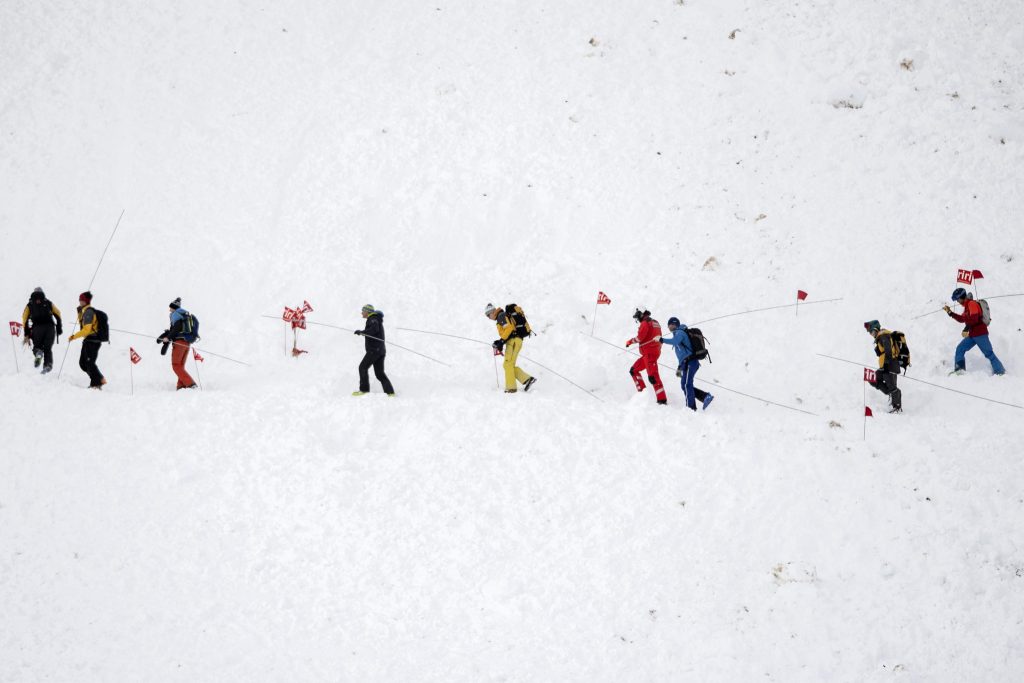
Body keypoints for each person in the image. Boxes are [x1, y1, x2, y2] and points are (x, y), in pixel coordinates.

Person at [943, 288, 1005, 376]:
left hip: (980, 334)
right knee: (960, 349)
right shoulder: (967, 307)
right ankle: (959, 370)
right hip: (973, 334)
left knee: (989, 354)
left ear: (961, 297)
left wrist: (966, 329)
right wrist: (950, 313)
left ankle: (1000, 372)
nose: (957, 301)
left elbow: (974, 319)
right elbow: (962, 319)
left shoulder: (972, 304)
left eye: (957, 299)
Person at [660, 316, 713, 411]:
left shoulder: (680, 332)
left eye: (671, 325)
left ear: (675, 324)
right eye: (668, 326)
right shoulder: (677, 335)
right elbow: (682, 355)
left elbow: (675, 342)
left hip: (691, 362)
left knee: (687, 384)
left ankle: (691, 408)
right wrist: (680, 367)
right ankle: (705, 397)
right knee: (684, 385)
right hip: (686, 363)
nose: (669, 327)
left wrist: (661, 340)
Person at [485, 303, 536, 394]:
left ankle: (511, 388)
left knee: (508, 364)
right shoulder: (502, 316)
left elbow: (509, 329)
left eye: (488, 315)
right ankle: (527, 379)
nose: (488, 318)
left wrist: (501, 341)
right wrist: (500, 342)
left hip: (513, 341)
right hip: (515, 341)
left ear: (492, 312)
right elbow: (509, 331)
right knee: (509, 365)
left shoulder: (501, 316)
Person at [352, 304, 395, 396]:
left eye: (363, 311)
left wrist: (362, 332)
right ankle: (390, 393)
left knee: (362, 367)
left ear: (367, 312)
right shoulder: (376, 319)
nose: (361, 313)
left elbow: (374, 329)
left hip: (374, 350)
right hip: (380, 351)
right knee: (379, 373)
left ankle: (363, 390)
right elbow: (374, 330)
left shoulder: (373, 319)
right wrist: (363, 332)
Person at [627, 308, 667, 405]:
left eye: (637, 317)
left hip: (649, 354)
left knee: (653, 377)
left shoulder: (645, 323)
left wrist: (630, 341)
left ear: (640, 314)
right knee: (633, 370)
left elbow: (640, 337)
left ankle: (662, 400)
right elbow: (659, 338)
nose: (637, 320)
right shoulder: (655, 322)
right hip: (651, 353)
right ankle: (642, 394)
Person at [156, 297, 198, 390]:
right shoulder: (184, 315)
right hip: (186, 343)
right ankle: (181, 386)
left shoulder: (176, 315)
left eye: (170, 308)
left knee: (175, 366)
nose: (169, 310)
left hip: (179, 343)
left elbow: (176, 329)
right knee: (180, 366)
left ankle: (191, 384)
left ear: (174, 308)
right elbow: (176, 329)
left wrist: (168, 338)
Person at [68, 291, 106, 389]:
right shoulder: (84, 311)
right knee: (82, 364)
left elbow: (86, 330)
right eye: (80, 299)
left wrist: (74, 336)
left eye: (82, 300)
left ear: (86, 301)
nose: (80, 301)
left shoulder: (88, 312)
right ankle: (99, 378)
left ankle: (96, 383)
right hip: (88, 341)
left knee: (89, 363)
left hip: (93, 341)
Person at [22, 287, 63, 373]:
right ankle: (47, 365)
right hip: (50, 328)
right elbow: (58, 313)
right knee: (48, 349)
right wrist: (59, 327)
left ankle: (38, 352)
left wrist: (26, 333)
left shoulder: (30, 305)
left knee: (37, 347)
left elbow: (24, 319)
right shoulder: (47, 302)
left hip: (37, 329)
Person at [864, 320, 902, 413]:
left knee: (892, 387)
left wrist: (886, 365)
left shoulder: (883, 335)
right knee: (872, 378)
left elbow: (888, 351)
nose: (871, 334)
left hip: (890, 365)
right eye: (870, 333)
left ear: (876, 329)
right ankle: (891, 394)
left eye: (872, 332)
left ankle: (897, 407)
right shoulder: (880, 337)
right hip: (884, 367)